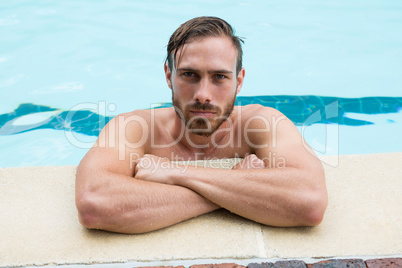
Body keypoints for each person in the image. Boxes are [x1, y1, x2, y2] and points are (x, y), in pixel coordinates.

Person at [75, 16, 328, 234]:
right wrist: (236, 185)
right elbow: (94, 203)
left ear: (239, 81)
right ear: (168, 75)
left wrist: (176, 173)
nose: (203, 94)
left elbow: (310, 200)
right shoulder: (135, 128)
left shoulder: (261, 122)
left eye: (219, 77)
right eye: (189, 75)